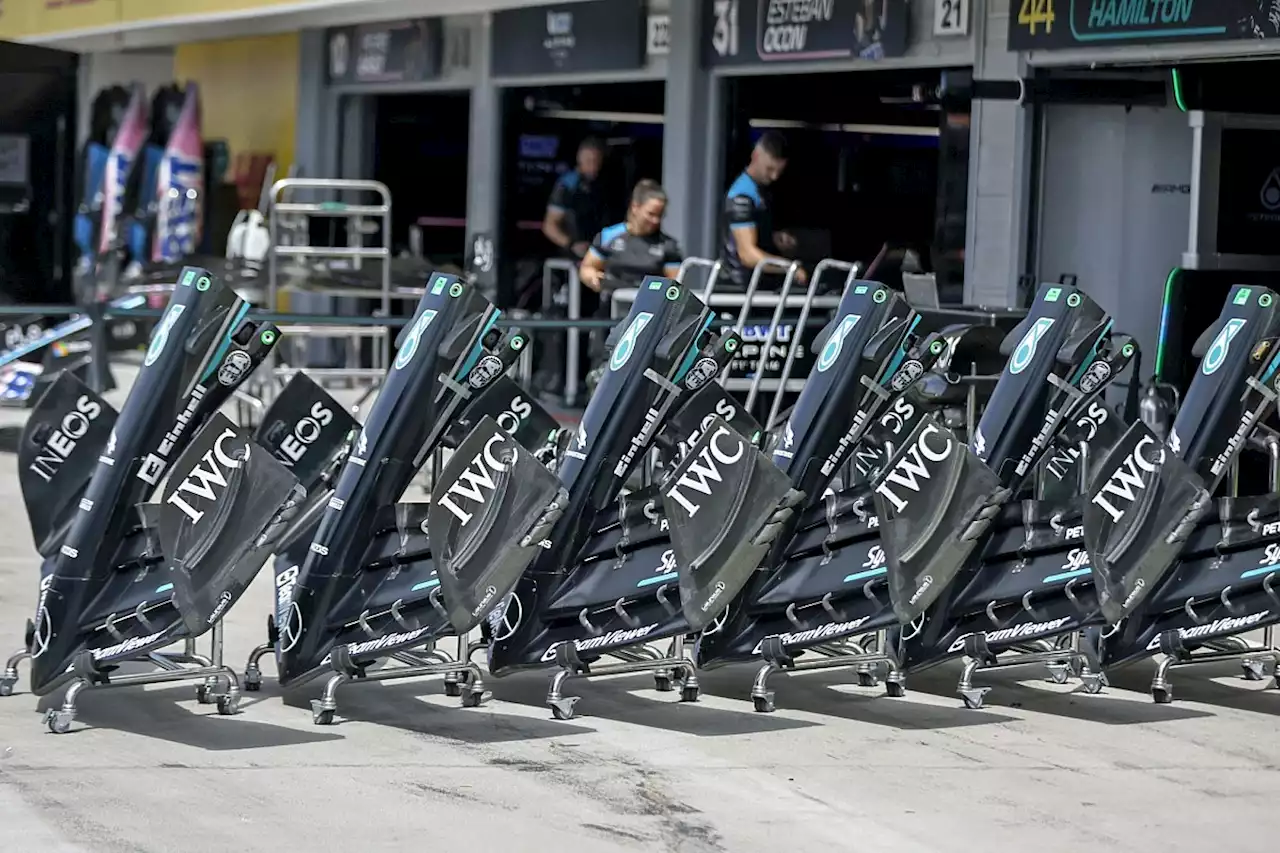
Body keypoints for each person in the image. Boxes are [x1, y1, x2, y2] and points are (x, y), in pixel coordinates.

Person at [578, 179, 682, 378]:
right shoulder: (610, 236)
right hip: (610, 315)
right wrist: (591, 277)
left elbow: (676, 284)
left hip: (648, 319)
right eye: (651, 214)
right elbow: (587, 267)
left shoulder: (668, 246)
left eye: (660, 216)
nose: (656, 221)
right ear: (635, 207)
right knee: (601, 375)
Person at [720, 130, 806, 290]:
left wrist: (775, 238)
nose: (774, 176)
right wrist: (789, 268)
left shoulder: (762, 191)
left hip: (758, 286)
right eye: (770, 169)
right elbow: (747, 254)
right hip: (739, 289)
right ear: (756, 156)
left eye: (779, 172)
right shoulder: (742, 195)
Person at [542, 137, 607, 262]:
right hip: (572, 255)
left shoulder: (602, 184)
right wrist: (572, 244)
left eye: (596, 162)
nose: (593, 167)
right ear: (580, 159)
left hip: (599, 252)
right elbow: (549, 226)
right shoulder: (568, 184)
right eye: (589, 161)